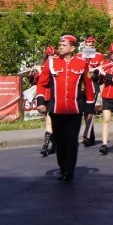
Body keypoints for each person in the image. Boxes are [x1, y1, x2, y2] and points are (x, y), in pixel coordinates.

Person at [35, 34, 95, 182]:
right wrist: (41, 101)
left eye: (64, 44)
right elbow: (42, 83)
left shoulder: (82, 63)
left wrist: (89, 107)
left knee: (72, 140)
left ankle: (69, 171)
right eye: (60, 44)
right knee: (59, 141)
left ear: (72, 48)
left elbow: (88, 86)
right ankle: (62, 167)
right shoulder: (51, 63)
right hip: (56, 109)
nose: (60, 46)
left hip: (75, 109)